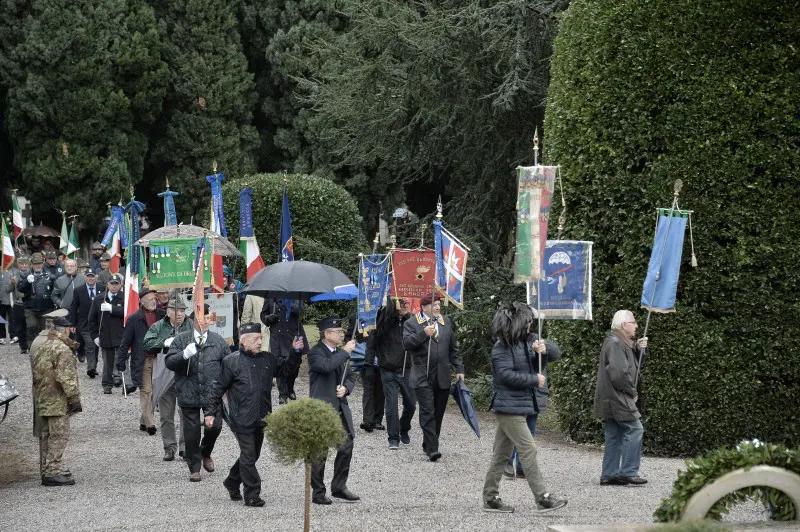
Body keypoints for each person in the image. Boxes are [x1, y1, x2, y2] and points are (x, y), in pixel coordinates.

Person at [482, 303, 567, 514]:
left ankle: (490, 498)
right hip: (509, 408)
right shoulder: (501, 347)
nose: (531, 325)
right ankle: (543, 498)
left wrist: (544, 347)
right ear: (519, 324)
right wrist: (533, 379)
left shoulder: (531, 340)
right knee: (528, 449)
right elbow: (505, 375)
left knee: (501, 455)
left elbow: (556, 353)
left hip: (522, 406)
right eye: (528, 322)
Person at [208, 323, 279, 507]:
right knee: (248, 456)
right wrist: (209, 413)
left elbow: (286, 371)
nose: (260, 342)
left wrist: (295, 353)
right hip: (240, 417)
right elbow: (218, 387)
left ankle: (232, 481)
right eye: (256, 339)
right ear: (244, 339)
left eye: (261, 338)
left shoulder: (268, 359)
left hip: (262, 416)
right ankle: (252, 494)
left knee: (253, 455)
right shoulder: (231, 361)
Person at [164, 306, 228, 481]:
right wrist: (183, 355)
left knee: (215, 427)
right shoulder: (181, 340)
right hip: (188, 392)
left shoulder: (218, 341)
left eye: (207, 318)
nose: (205, 322)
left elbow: (228, 365)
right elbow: (169, 362)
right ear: (192, 321)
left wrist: (228, 388)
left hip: (211, 394)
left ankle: (205, 452)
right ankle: (194, 466)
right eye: (201, 318)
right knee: (191, 433)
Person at [402, 292, 464, 461]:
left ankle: (428, 442)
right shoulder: (412, 323)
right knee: (427, 411)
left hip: (442, 375)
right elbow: (407, 344)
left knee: (438, 413)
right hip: (422, 375)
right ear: (424, 307)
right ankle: (432, 449)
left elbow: (453, 348)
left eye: (438, 304)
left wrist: (459, 368)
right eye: (434, 304)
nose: (438, 307)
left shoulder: (445, 322)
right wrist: (423, 334)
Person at [308, 317, 360, 505]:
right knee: (320, 451)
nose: (340, 334)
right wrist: (345, 352)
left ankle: (339, 487)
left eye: (340, 331)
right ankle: (318, 491)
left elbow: (351, 377)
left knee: (346, 445)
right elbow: (326, 366)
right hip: (322, 408)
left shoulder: (340, 352)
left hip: (339, 407)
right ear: (327, 334)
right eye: (337, 331)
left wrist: (345, 388)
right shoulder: (315, 353)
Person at [594, 309, 648, 486]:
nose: (636, 326)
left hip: (611, 396)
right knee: (635, 429)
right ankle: (628, 472)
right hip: (618, 396)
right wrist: (632, 391)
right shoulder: (616, 343)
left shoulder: (619, 342)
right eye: (633, 322)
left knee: (614, 434)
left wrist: (639, 350)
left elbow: (631, 367)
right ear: (624, 325)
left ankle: (609, 474)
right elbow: (619, 374)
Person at [30, 311, 82, 486]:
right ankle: (52, 472)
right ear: (65, 330)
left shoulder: (43, 346)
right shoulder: (62, 349)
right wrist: (75, 399)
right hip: (57, 400)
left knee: (47, 436)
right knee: (59, 436)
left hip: (44, 398)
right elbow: (66, 377)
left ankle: (48, 470)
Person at [504, 322, 562, 479]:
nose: (528, 324)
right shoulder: (509, 340)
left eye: (529, 321)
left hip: (535, 393)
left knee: (529, 432)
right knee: (516, 431)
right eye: (525, 321)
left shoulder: (536, 337)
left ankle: (524, 467)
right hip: (518, 392)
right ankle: (507, 461)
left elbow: (556, 353)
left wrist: (544, 346)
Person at [143, 292, 192, 461]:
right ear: (168, 311)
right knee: (166, 414)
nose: (180, 314)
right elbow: (147, 343)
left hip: (185, 373)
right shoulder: (158, 326)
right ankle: (169, 447)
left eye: (182, 310)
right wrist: (164, 342)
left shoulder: (191, 326)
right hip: (164, 371)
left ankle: (185, 447)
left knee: (186, 412)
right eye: (176, 310)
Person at [368, 298, 416, 450]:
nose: (405, 306)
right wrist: (369, 360)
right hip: (387, 368)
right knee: (391, 405)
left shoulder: (412, 321)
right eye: (402, 303)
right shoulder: (384, 320)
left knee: (411, 404)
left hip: (406, 368)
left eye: (407, 303)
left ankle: (404, 427)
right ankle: (393, 437)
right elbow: (374, 339)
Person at [116, 289, 164, 431]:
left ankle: (144, 419)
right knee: (146, 391)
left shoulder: (161, 315)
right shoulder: (134, 318)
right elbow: (126, 342)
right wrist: (121, 360)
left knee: (156, 391)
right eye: (150, 300)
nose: (153, 302)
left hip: (159, 359)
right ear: (142, 302)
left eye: (154, 299)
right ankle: (150, 423)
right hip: (142, 360)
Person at [260, 299, 308, 404]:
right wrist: (267, 318)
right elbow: (263, 315)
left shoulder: (295, 295)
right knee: (280, 364)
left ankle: (290, 388)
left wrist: (288, 304)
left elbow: (299, 310)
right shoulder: (271, 297)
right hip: (277, 336)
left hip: (293, 335)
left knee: (294, 365)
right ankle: (282, 394)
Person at [88, 273, 125, 393]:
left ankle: (125, 383)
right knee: (107, 363)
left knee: (122, 360)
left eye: (116, 284)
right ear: (107, 284)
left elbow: (129, 312)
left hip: (121, 335)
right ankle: (107, 385)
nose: (114, 286)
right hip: (105, 335)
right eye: (111, 284)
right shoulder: (99, 298)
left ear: (120, 285)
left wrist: (113, 309)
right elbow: (92, 319)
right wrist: (95, 336)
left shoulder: (125, 297)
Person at [18, 252, 56, 343]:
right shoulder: (26, 274)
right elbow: (20, 288)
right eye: (35, 263)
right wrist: (27, 281)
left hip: (46, 307)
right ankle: (32, 347)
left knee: (46, 330)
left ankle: (45, 347)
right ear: (31, 264)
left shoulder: (50, 275)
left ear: (42, 263)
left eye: (39, 263)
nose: (37, 265)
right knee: (31, 326)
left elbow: (55, 290)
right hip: (31, 307)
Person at [70, 269, 100, 378]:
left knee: (97, 345)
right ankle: (91, 368)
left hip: (100, 324)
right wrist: (72, 324)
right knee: (91, 344)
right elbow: (73, 308)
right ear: (85, 277)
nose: (91, 278)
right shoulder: (78, 290)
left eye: (92, 276)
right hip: (85, 323)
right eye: (88, 276)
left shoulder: (102, 288)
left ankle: (94, 366)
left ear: (96, 277)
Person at [3, 256, 28, 352]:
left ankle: (30, 345)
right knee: (20, 327)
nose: (24, 265)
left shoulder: (31, 274)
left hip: (29, 304)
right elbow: (7, 290)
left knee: (30, 326)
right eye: (22, 264)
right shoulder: (14, 275)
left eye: (26, 263)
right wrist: (12, 283)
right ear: (18, 264)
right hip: (18, 304)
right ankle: (23, 347)